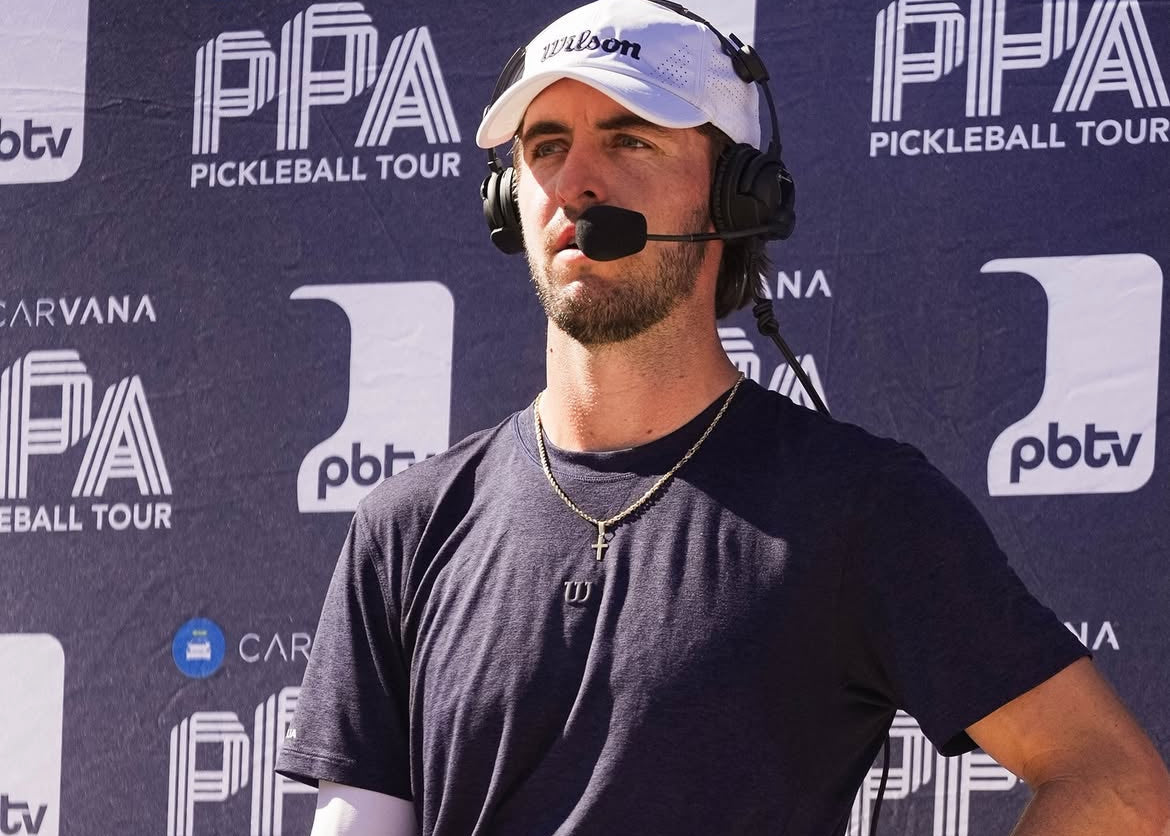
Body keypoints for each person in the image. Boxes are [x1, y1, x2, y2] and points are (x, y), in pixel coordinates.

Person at [276, 1, 1170, 834]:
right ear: (509, 201)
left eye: (630, 140)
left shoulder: (857, 505)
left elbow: (1116, 786)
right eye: (544, 147)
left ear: (739, 197)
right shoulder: (404, 526)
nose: (576, 180)